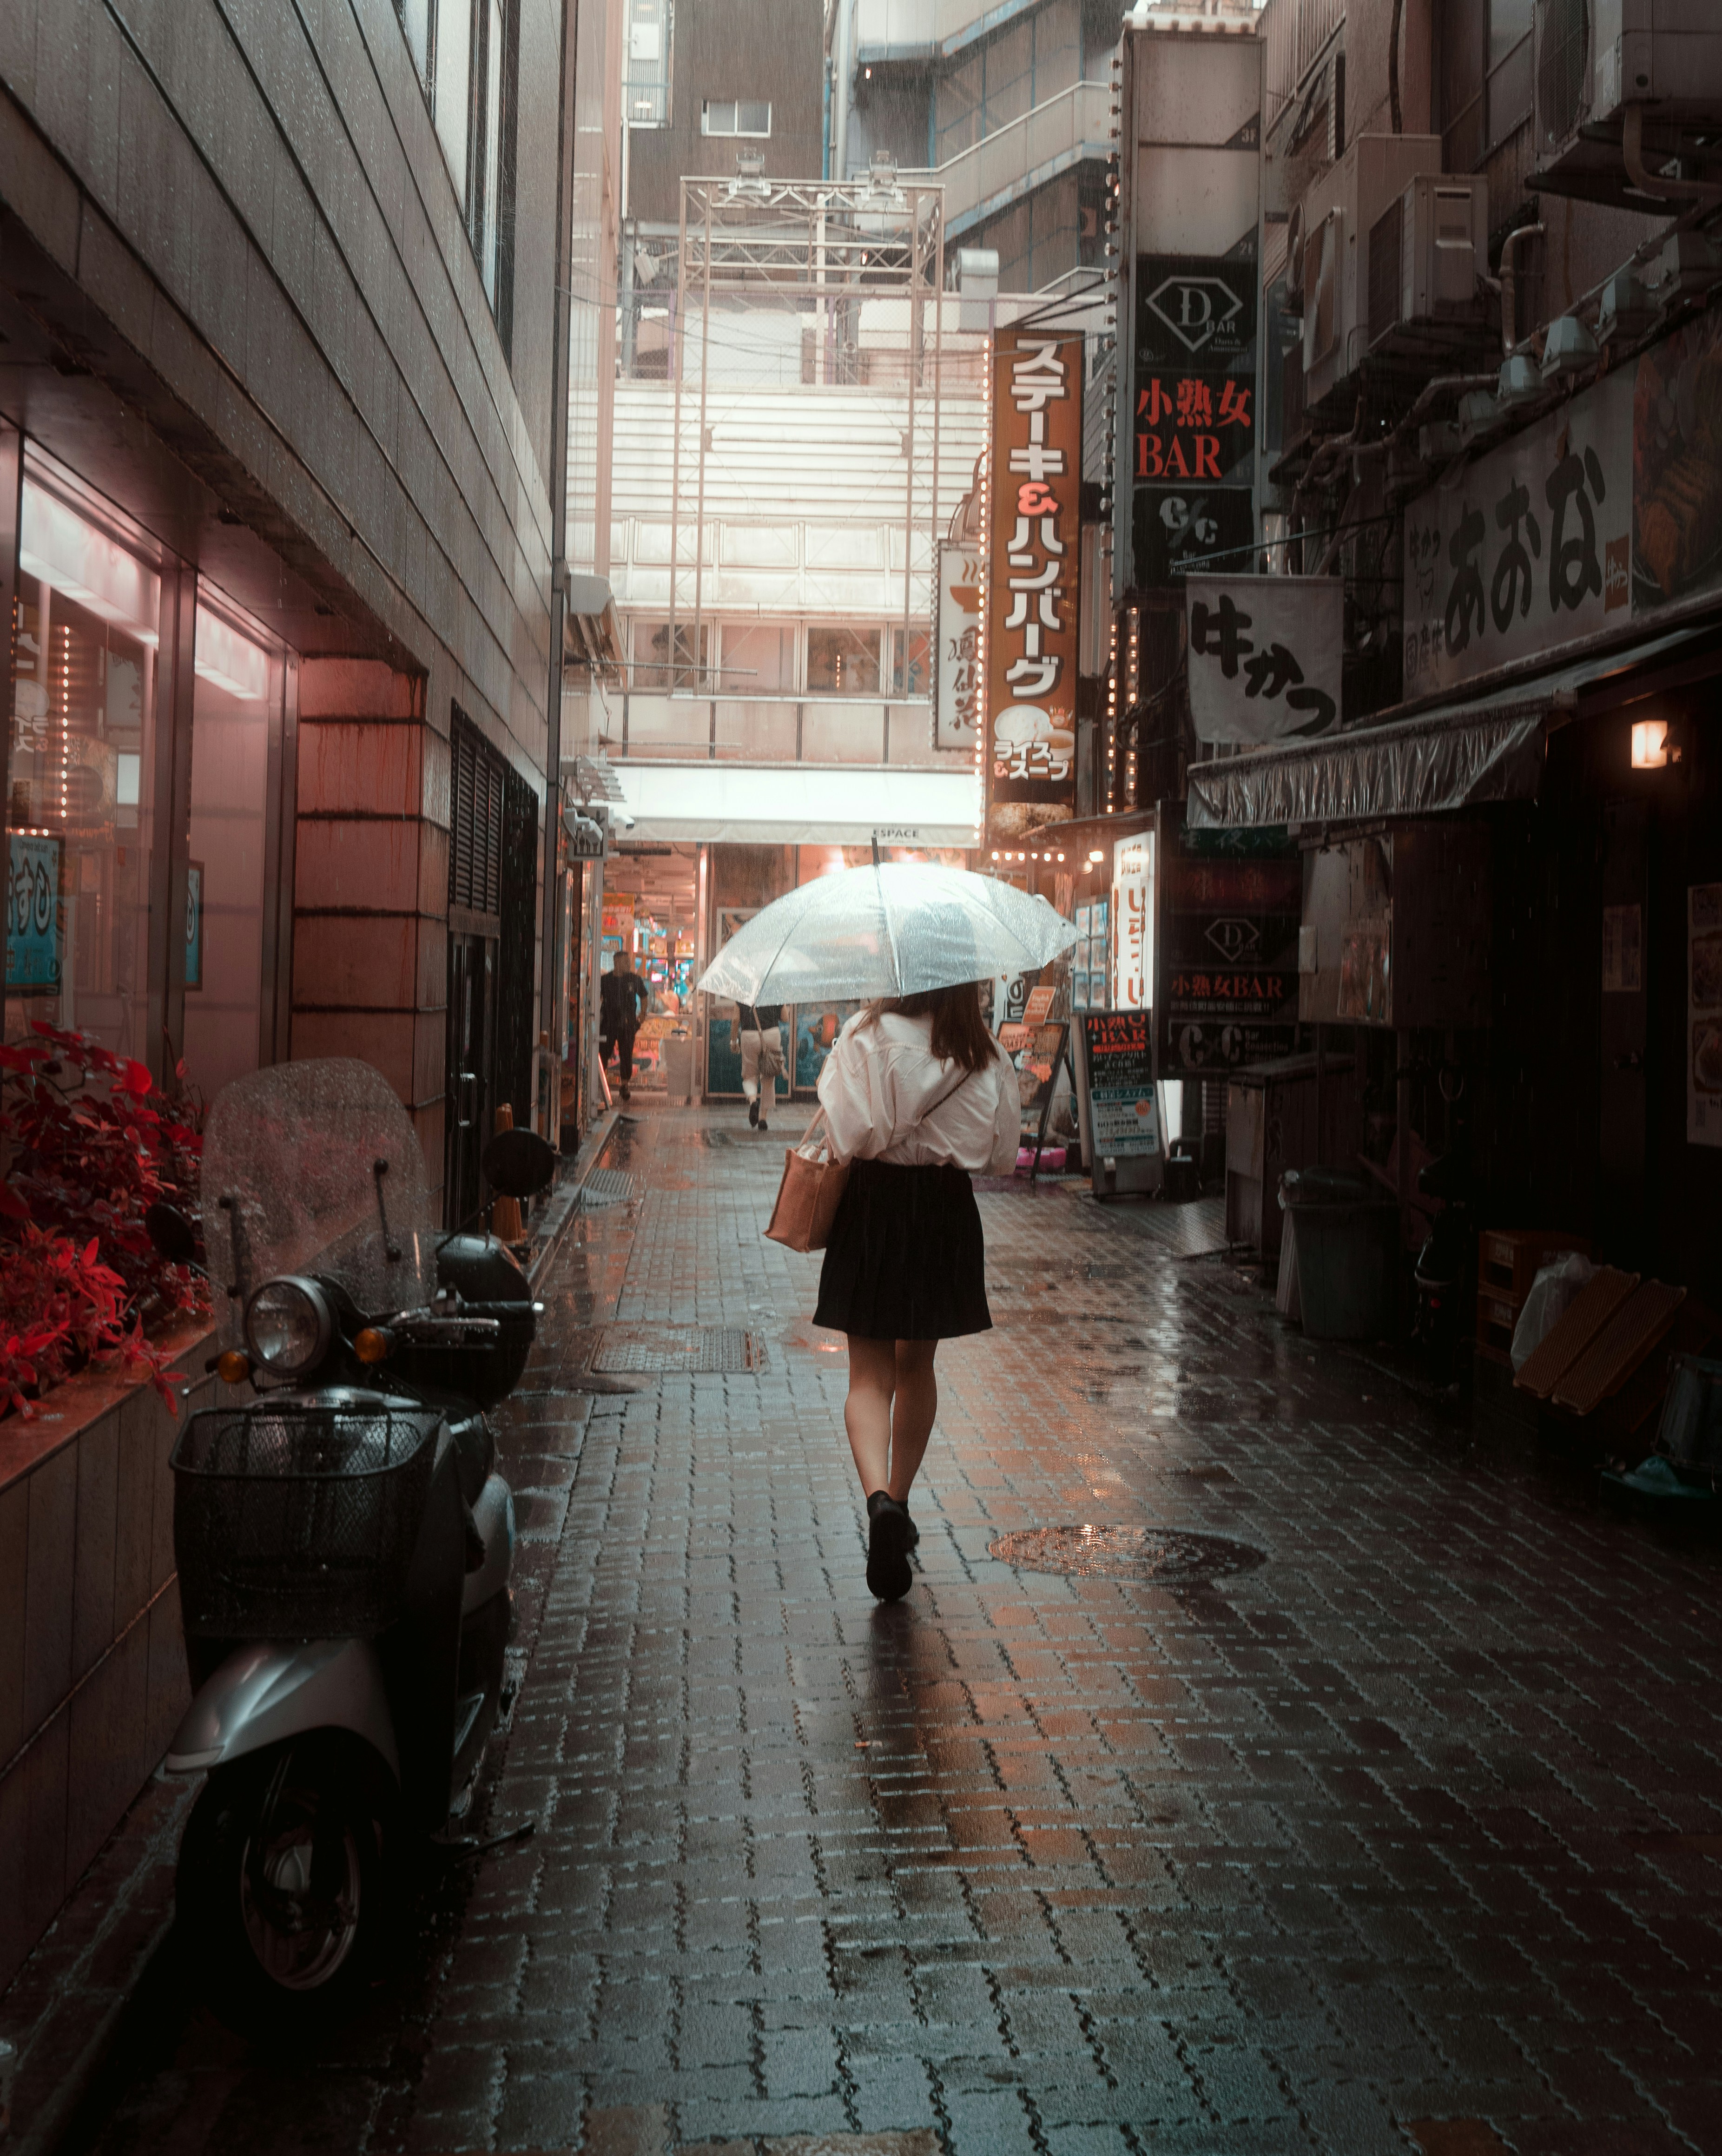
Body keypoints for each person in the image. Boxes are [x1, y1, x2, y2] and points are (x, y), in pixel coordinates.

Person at [812, 981, 1019, 1602]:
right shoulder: (981, 1049)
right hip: (943, 1210)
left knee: (868, 1374)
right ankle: (899, 1501)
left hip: (872, 1203)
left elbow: (842, 1134)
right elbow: (1002, 1153)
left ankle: (877, 1500)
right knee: (917, 1365)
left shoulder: (864, 1036)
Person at [599, 948, 649, 1101]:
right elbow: (596, 998)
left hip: (628, 1024)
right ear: (616, 963)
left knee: (626, 1054)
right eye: (626, 962)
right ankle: (600, 1084)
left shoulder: (634, 979)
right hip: (608, 1023)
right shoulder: (605, 980)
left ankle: (625, 1085)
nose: (629, 964)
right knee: (603, 1053)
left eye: (629, 962)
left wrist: (642, 1015)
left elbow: (644, 996)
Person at [738, 1000, 786, 1131]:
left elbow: (736, 1019)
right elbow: (785, 1018)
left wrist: (733, 1041)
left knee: (749, 1076)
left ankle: (753, 1101)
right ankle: (763, 1118)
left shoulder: (744, 995)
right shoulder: (774, 994)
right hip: (772, 1034)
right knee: (768, 1076)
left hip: (749, 1035)